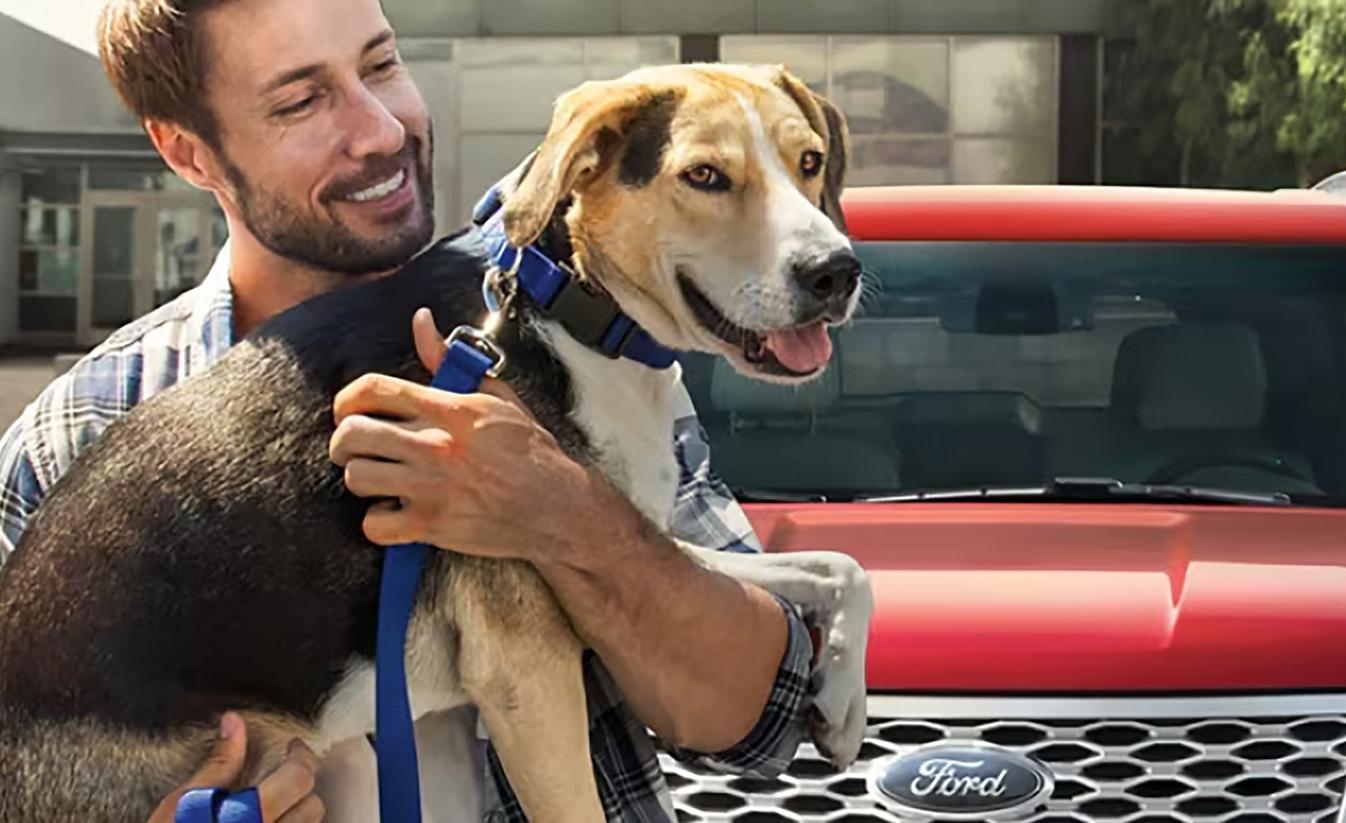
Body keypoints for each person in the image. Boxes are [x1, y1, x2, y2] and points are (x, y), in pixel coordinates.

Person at [0, 0, 818, 820]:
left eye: (382, 64)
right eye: (301, 101)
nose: (380, 129)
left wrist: (572, 516)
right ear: (189, 151)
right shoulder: (83, 428)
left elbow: (758, 721)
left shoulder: (588, 346)